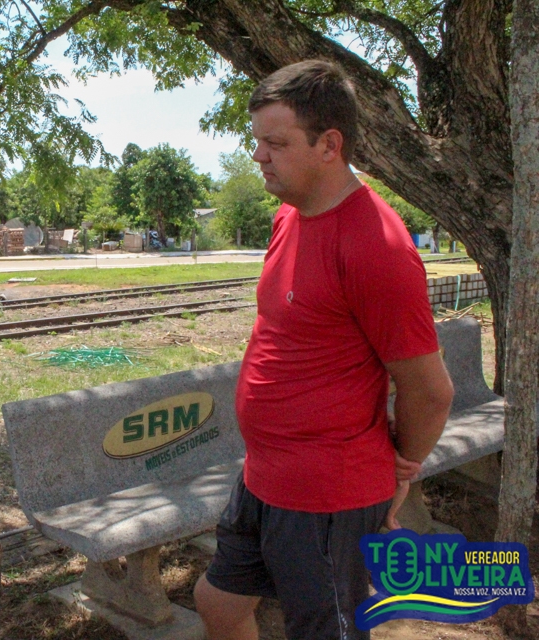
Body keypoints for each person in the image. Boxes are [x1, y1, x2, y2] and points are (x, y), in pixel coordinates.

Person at [193, 60, 454, 640]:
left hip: (324, 495)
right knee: (219, 603)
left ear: (329, 144)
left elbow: (430, 391)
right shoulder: (290, 212)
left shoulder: (376, 246)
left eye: (275, 143)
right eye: (256, 140)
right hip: (264, 474)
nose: (258, 155)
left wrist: (402, 468)